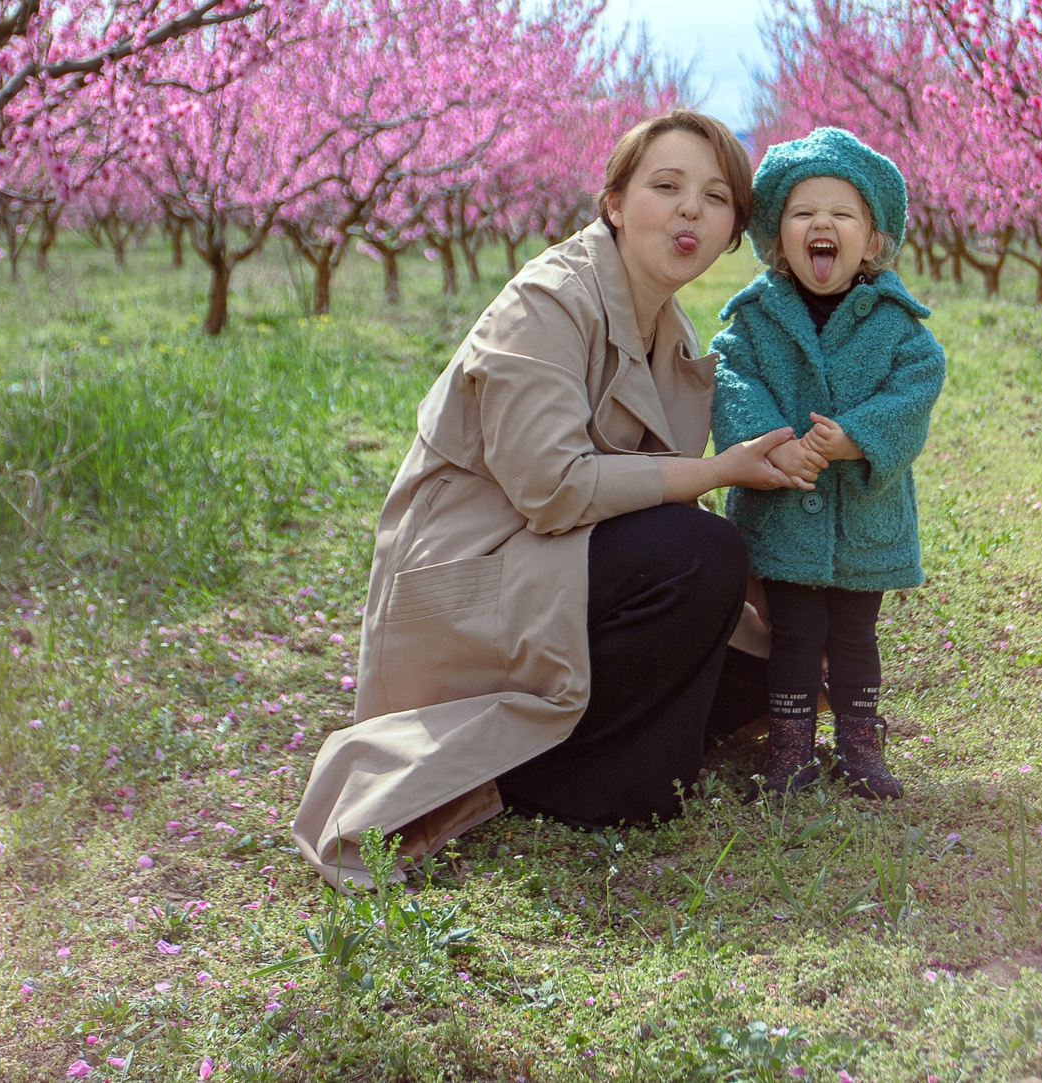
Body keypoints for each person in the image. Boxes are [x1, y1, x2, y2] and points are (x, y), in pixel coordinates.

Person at [291, 111, 815, 884]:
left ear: (734, 227)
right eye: (665, 186)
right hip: (475, 574)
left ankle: (596, 763)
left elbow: (644, 498)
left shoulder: (667, 327)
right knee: (701, 555)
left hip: (558, 563)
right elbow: (553, 488)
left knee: (751, 654)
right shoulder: (546, 301)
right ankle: (520, 776)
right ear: (612, 201)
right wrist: (719, 471)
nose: (689, 211)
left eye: (714, 198)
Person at [710, 126, 946, 799]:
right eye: (803, 212)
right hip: (783, 509)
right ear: (776, 237)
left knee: (853, 636)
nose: (822, 224)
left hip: (863, 514)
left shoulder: (896, 323)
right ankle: (789, 748)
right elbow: (730, 375)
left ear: (871, 241)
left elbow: (916, 382)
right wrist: (768, 441)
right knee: (790, 634)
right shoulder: (755, 317)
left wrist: (858, 436)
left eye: (842, 214)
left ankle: (858, 742)